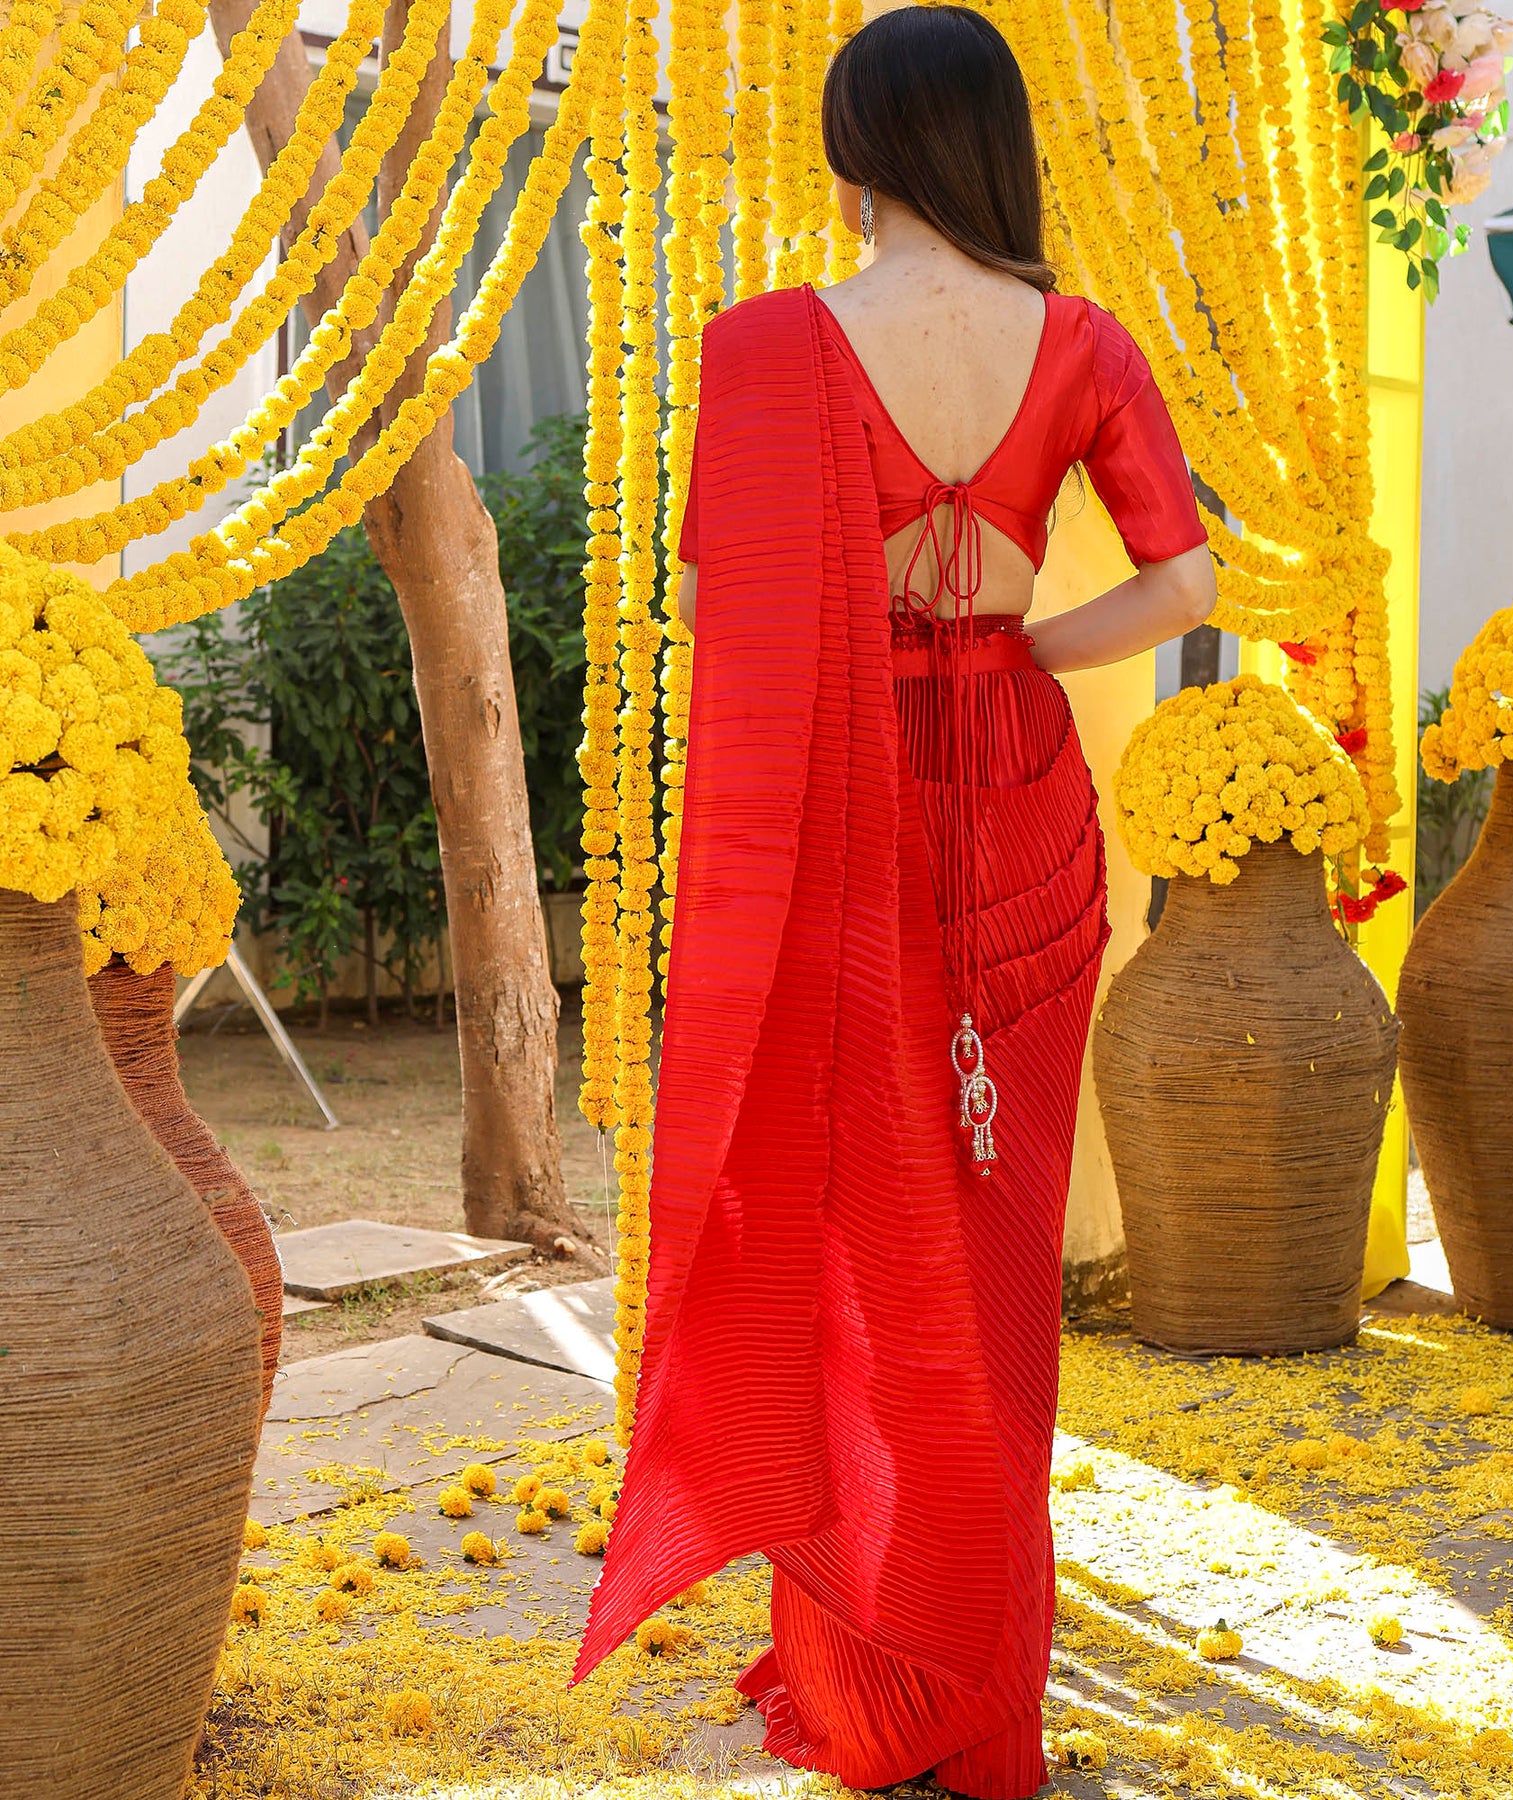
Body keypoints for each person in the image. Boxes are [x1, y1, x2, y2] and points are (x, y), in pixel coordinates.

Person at [572, 8, 1216, 1795]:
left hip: (836, 817)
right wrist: (1021, 638)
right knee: (997, 1266)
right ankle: (981, 1689)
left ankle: (867, 1686)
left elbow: (738, 616)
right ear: (997, 150)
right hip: (1016, 800)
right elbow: (1187, 580)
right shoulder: (1077, 344)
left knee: (840, 1241)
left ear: (854, 154)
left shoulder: (774, 350)